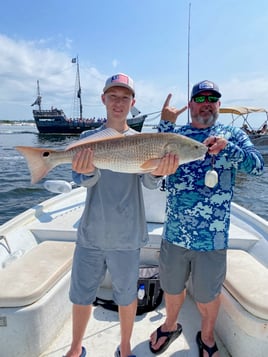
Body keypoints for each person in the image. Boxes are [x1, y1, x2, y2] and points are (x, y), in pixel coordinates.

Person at [65, 73, 178, 357]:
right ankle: (75, 348)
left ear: (133, 102)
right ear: (103, 99)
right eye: (112, 96)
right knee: (81, 295)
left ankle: (125, 348)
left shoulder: (143, 141)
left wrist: (158, 171)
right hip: (91, 232)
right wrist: (87, 170)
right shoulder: (86, 139)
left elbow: (149, 182)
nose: (118, 102)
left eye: (124, 97)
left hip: (127, 235)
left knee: (127, 296)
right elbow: (84, 182)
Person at [149, 80, 264, 356]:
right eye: (200, 98)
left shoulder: (233, 134)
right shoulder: (176, 134)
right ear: (190, 105)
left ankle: (208, 335)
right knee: (173, 288)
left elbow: (258, 165)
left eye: (213, 98)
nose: (207, 103)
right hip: (175, 232)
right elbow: (150, 166)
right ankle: (170, 324)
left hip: (213, 238)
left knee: (208, 294)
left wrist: (230, 149)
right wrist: (164, 125)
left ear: (219, 105)